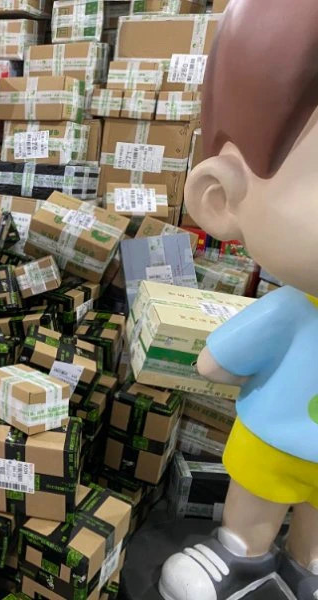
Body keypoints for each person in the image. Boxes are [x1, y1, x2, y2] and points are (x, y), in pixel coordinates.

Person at [158, 1, 318, 599]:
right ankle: (242, 555)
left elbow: (215, 366)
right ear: (220, 198)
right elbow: (214, 361)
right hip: (274, 443)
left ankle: (307, 566)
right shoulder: (292, 310)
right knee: (256, 508)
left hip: (277, 433)